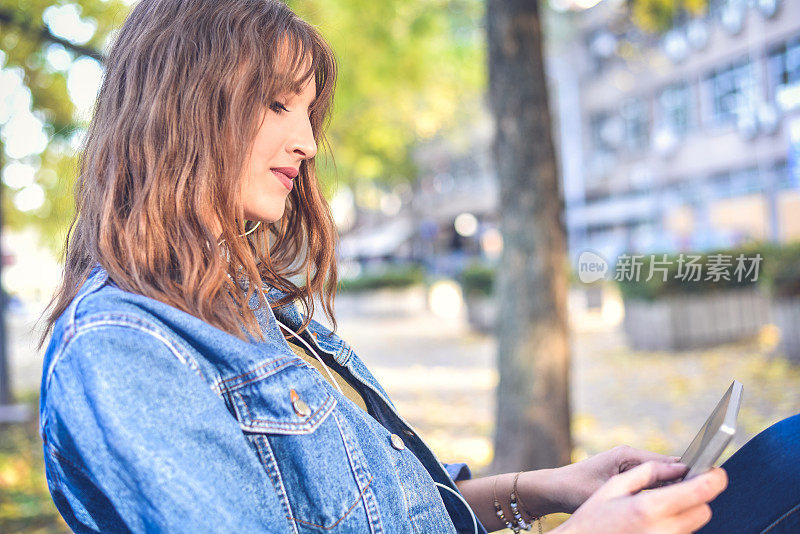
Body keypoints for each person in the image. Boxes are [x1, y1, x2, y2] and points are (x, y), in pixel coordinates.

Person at [36, 1, 797, 533]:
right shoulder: (123, 354)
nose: (306, 141)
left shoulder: (243, 307)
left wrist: (548, 491)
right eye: (276, 104)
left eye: (308, 112)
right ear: (182, 108)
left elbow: (390, 511)